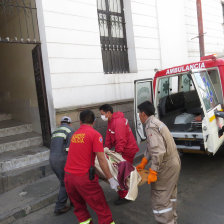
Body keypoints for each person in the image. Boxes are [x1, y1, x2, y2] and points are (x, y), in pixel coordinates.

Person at [64, 110, 118, 224]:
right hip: (83, 178)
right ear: (94, 121)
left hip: (68, 178)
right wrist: (111, 178)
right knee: (102, 209)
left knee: (80, 209)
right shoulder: (95, 135)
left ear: (80, 122)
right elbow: (101, 159)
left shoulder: (75, 135)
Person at [136, 101, 181, 224]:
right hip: (173, 162)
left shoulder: (151, 126)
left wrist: (153, 171)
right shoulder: (156, 122)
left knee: (160, 197)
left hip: (165, 165)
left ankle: (166, 222)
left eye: (139, 113)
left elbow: (158, 151)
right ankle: (172, 220)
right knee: (169, 194)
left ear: (143, 114)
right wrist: (144, 160)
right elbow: (152, 146)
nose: (138, 116)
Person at [99, 104, 139, 205]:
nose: (101, 116)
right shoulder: (111, 121)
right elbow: (109, 137)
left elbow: (121, 140)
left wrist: (118, 155)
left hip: (127, 150)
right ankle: (127, 188)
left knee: (120, 173)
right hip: (124, 149)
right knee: (122, 172)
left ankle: (126, 195)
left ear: (108, 113)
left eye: (102, 114)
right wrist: (105, 149)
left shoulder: (118, 122)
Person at [49, 116, 74, 215]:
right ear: (70, 123)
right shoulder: (70, 130)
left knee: (67, 182)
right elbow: (70, 149)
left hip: (52, 160)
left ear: (60, 123)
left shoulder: (55, 131)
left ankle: (74, 202)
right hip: (62, 160)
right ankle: (59, 207)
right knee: (66, 183)